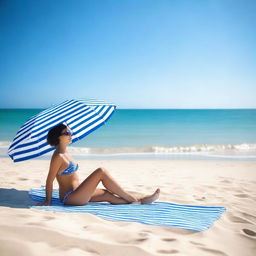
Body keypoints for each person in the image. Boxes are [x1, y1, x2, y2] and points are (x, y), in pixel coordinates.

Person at [37, 123, 160, 206]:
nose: (70, 135)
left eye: (70, 132)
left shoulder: (66, 152)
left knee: (107, 194)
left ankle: (141, 200)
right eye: (66, 133)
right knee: (101, 171)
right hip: (70, 198)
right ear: (58, 137)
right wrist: (47, 201)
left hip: (78, 192)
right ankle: (133, 199)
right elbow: (49, 180)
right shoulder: (58, 156)